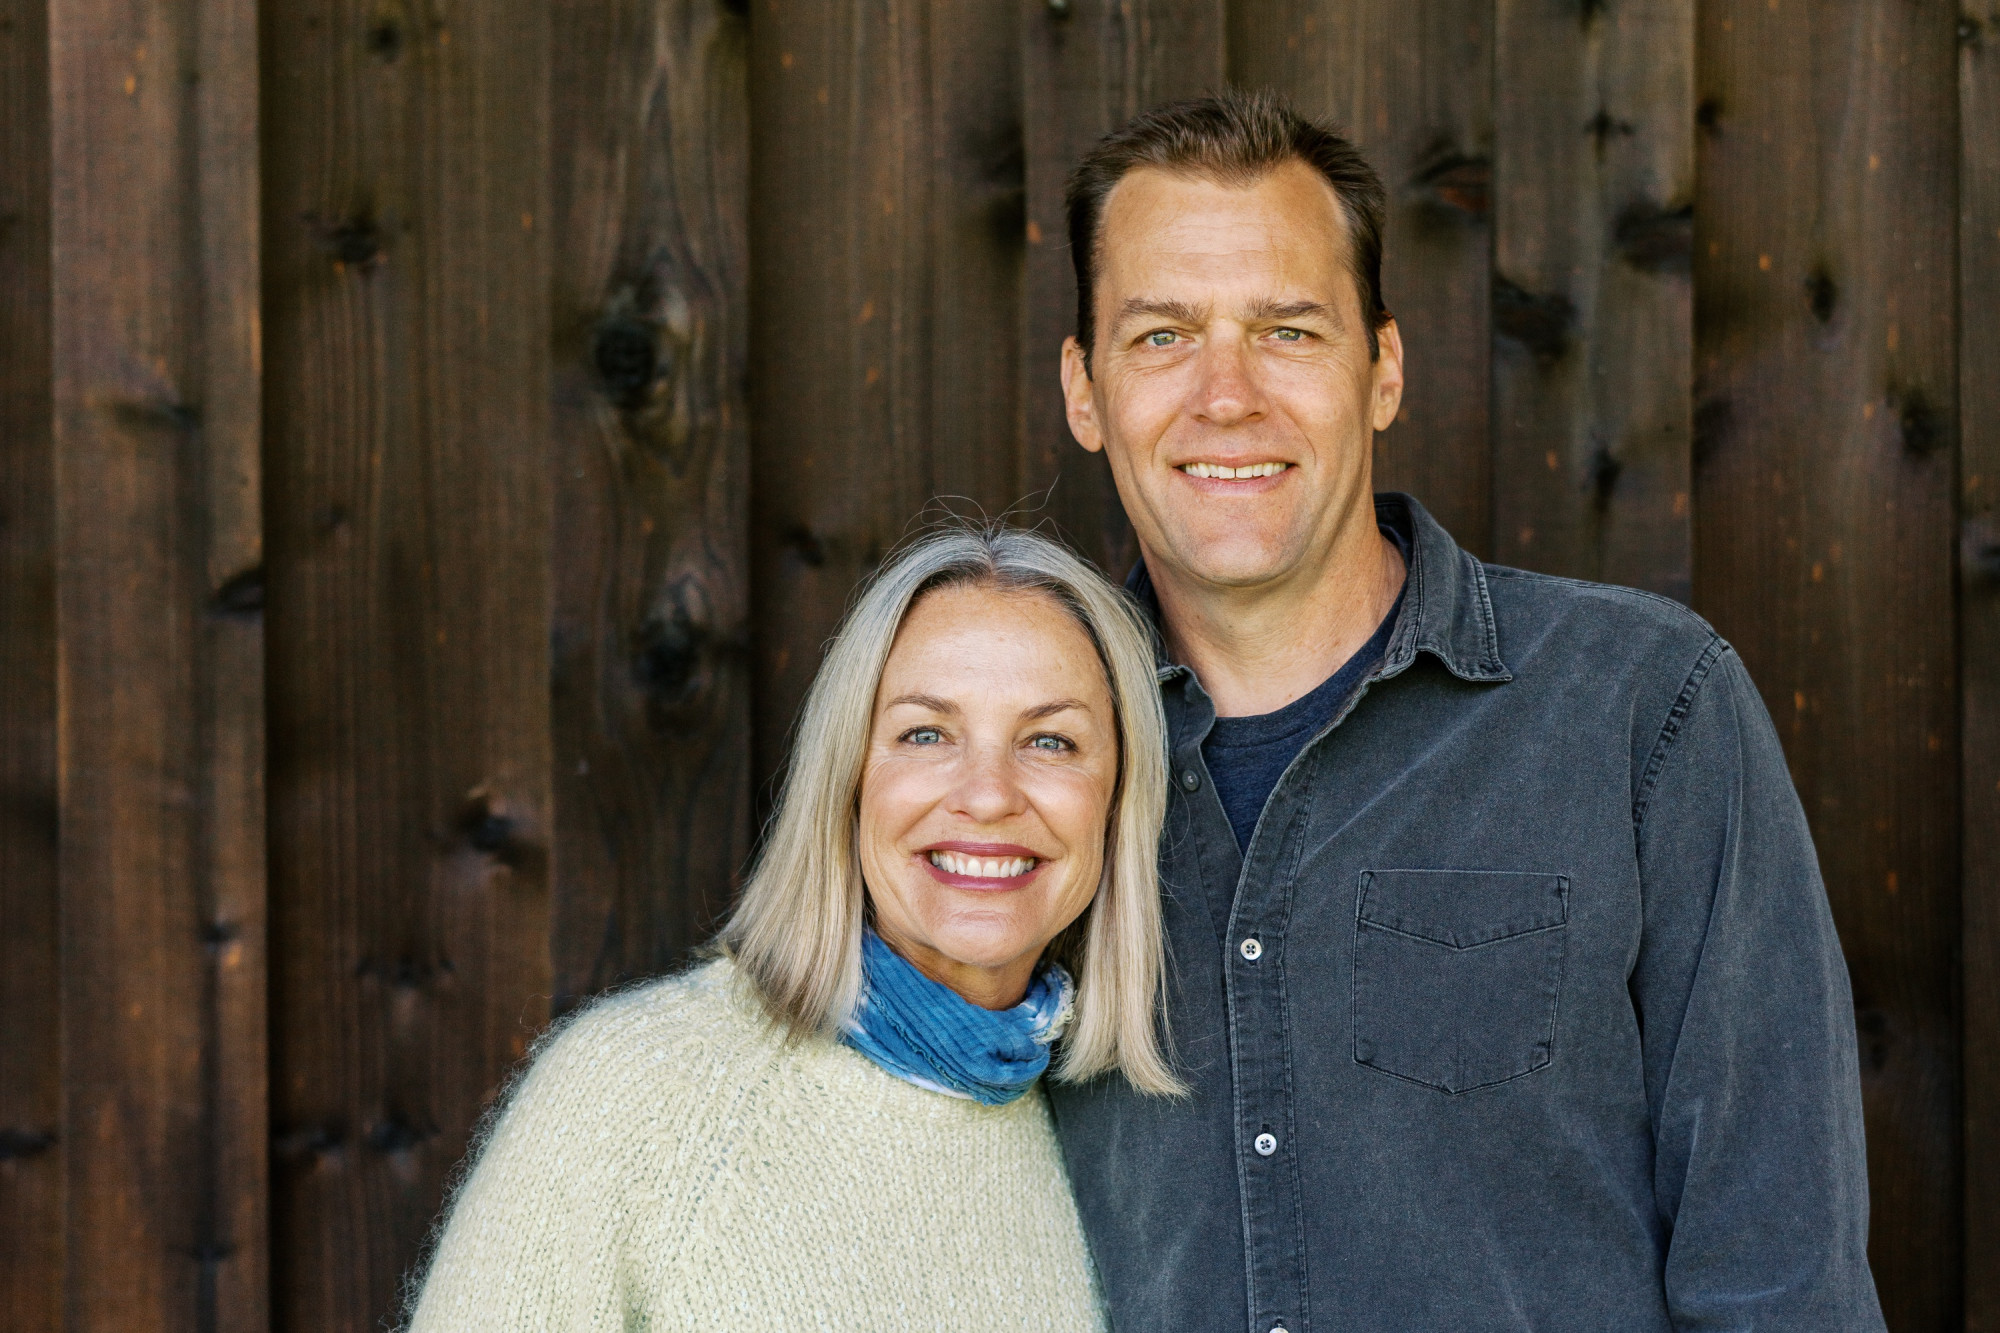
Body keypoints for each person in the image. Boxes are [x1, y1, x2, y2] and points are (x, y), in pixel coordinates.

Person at [1046, 90, 1885, 1332]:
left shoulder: (1643, 710)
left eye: (1287, 330)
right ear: (1084, 389)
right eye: (1162, 335)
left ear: (1381, 370)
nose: (1225, 396)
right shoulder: (1006, 775)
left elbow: (1778, 1279)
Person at [404, 526, 1180, 1330]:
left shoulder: (1111, 1140)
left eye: (1051, 740)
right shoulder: (634, 1100)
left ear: (1117, 799)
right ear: (848, 779)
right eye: (925, 733)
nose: (987, 795)